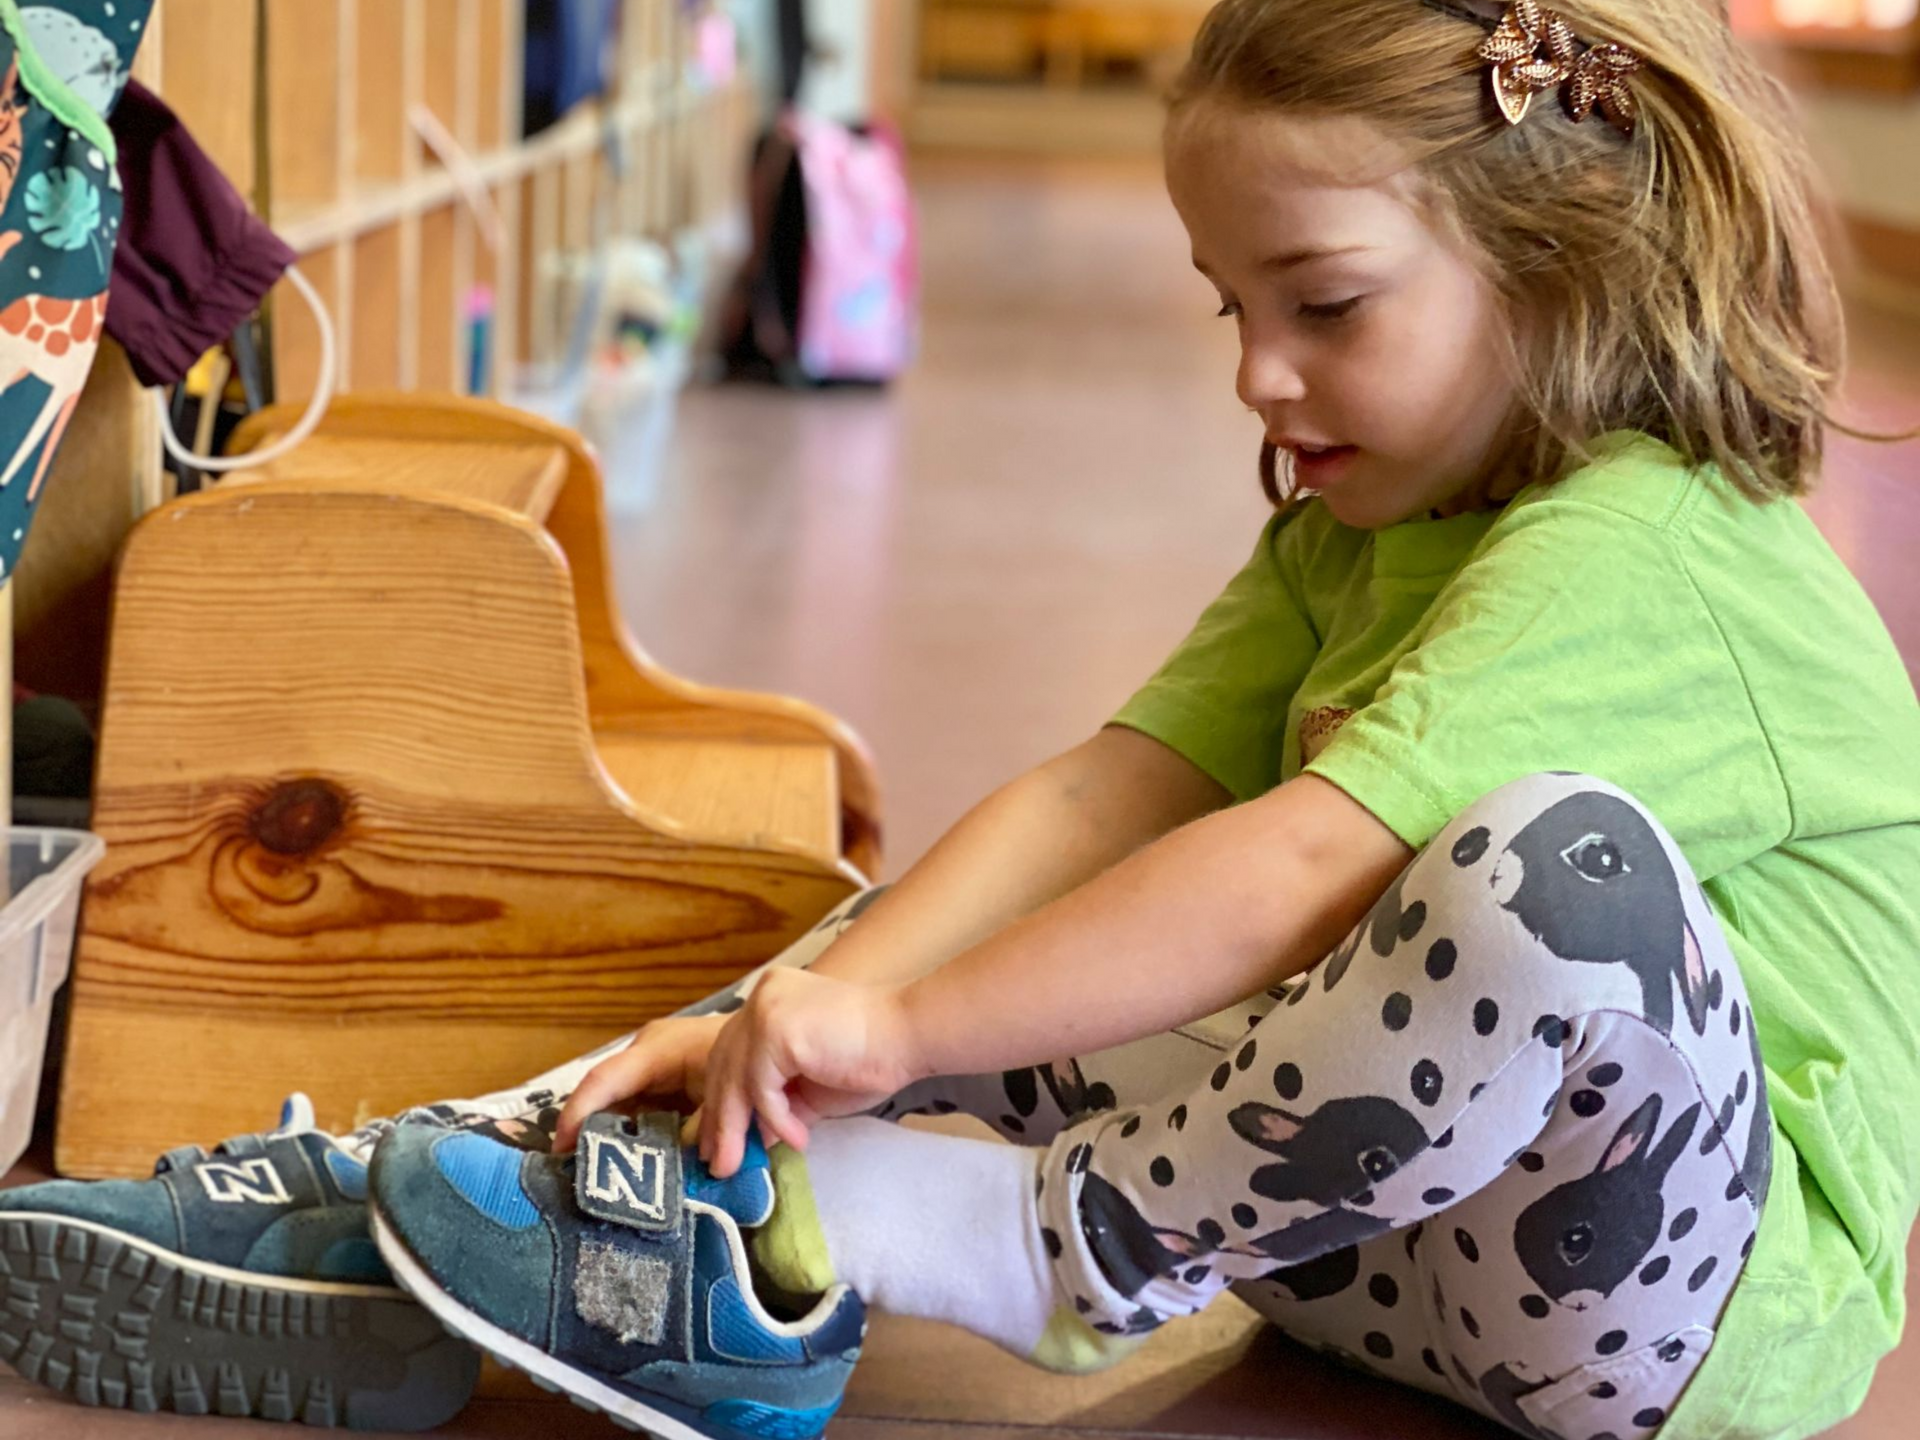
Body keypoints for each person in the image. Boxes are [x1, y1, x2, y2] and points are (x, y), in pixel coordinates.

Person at [5, 3, 1917, 1438]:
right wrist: (778, 1027)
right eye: (1230, 302)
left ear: (1566, 269)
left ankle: (1032, 1253)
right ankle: (488, 1190)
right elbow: (1111, 789)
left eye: (1324, 304)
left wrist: (906, 1030)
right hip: (1357, 1247)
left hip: (1667, 1306)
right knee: (1020, 942)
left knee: (1543, 875)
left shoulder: (1657, 549)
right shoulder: (1370, 517)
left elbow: (1300, 865)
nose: (1260, 370)